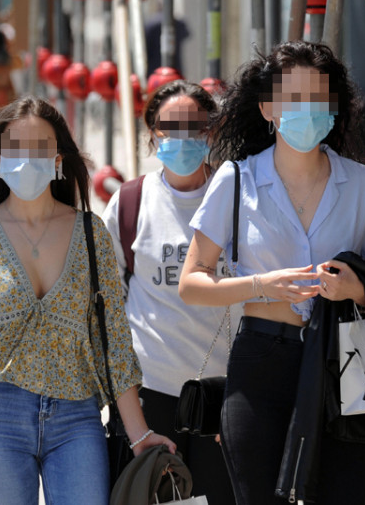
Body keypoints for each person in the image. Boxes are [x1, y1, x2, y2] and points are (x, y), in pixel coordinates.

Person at [0, 96, 177, 503]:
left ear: (58, 158)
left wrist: (139, 433)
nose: (28, 159)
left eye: (40, 148)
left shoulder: (91, 235)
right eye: (17, 148)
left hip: (76, 417)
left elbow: (114, 345)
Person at [178, 41, 365, 504]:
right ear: (268, 109)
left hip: (343, 365)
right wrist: (263, 284)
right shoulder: (235, 179)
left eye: (319, 99)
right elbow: (192, 282)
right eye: (294, 99)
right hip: (261, 360)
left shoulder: (364, 185)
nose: (308, 111)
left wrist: (355, 288)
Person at [102, 80, 235, 504]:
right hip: (151, 395)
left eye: (195, 125)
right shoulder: (130, 202)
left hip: (223, 396)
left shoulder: (237, 197)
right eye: (169, 126)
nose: (182, 137)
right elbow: (105, 306)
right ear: (151, 134)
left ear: (211, 132)